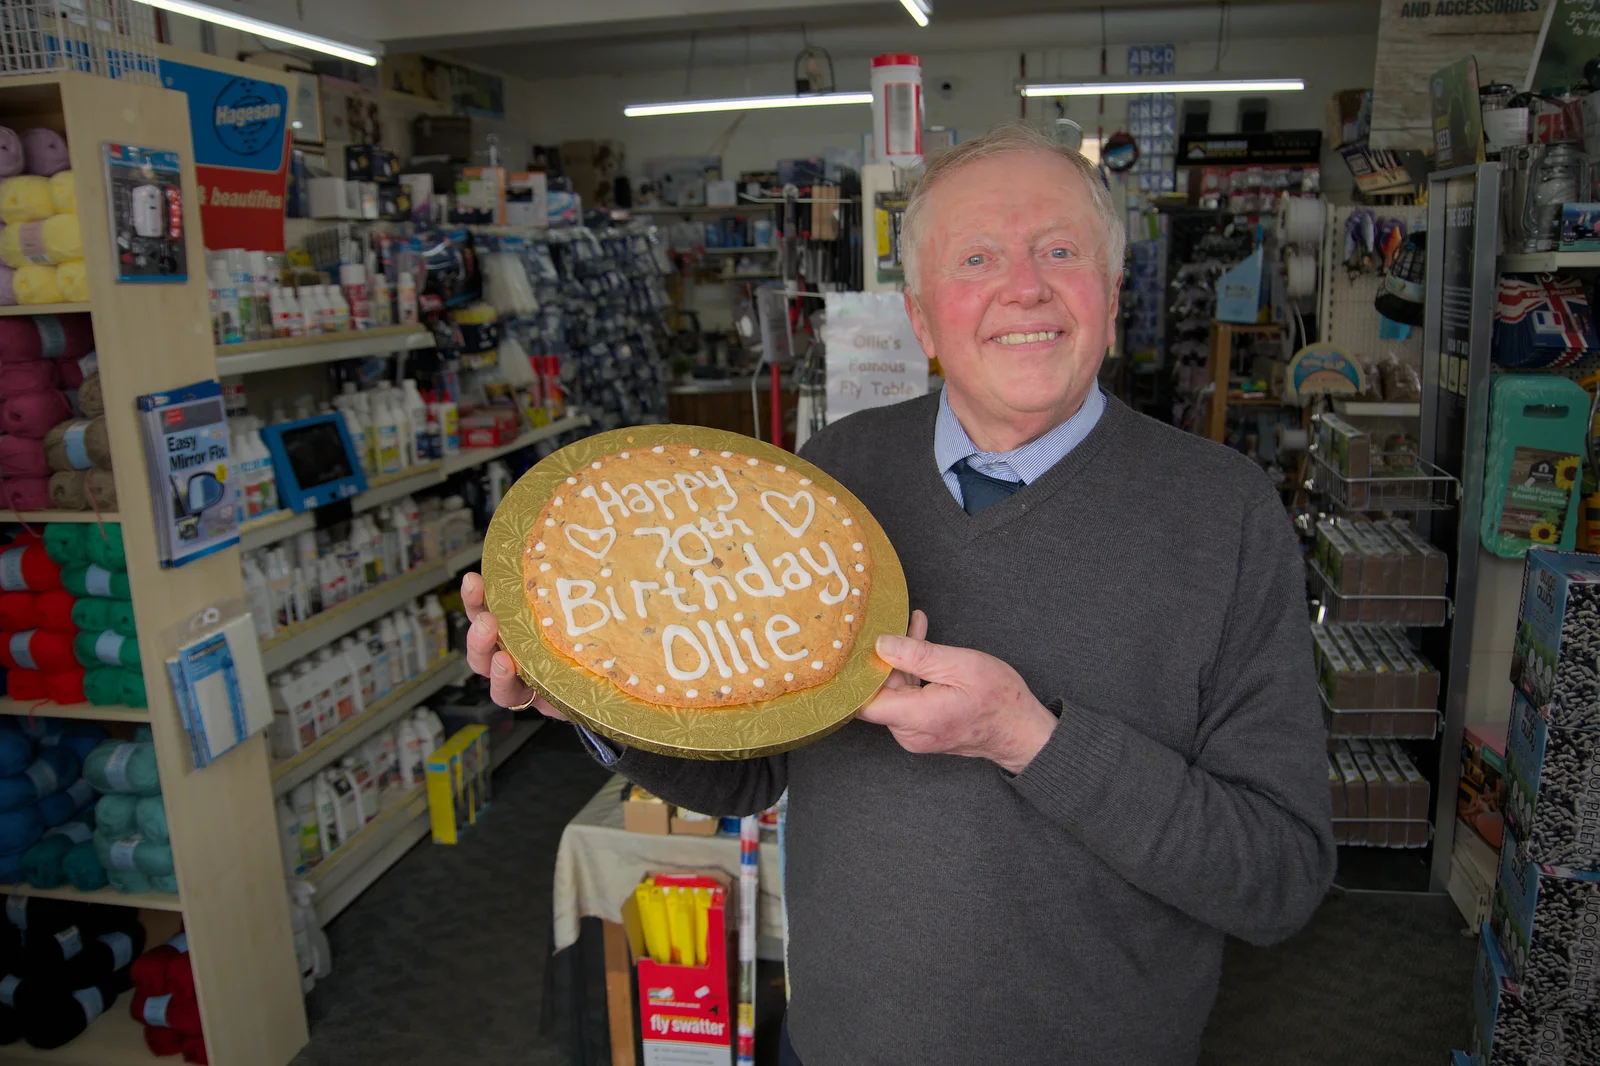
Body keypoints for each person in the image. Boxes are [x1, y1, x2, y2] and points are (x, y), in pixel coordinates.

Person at [461, 122, 1334, 1065]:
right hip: (839, 1044)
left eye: (1060, 251)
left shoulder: (1224, 513)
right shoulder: (839, 473)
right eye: (976, 257)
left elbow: (1278, 877)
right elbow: (753, 768)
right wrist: (584, 691)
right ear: (921, 318)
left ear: (1113, 296)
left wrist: (1027, 736)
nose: (1025, 286)